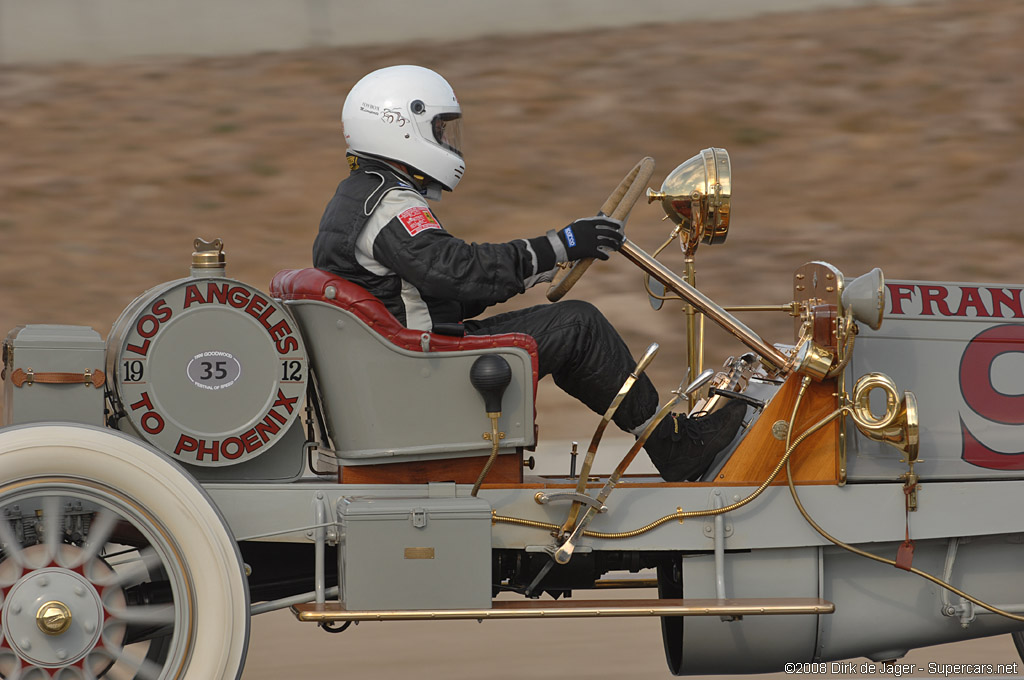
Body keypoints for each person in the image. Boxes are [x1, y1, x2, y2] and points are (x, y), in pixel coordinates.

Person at [313, 65, 745, 482]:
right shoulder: (389, 204)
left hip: (406, 367)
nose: (447, 140)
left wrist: (545, 265)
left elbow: (440, 291)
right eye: (440, 129)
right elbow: (460, 272)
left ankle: (674, 442)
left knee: (571, 326)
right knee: (579, 326)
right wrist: (563, 244)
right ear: (401, 127)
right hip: (427, 375)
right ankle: (677, 448)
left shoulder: (360, 196)